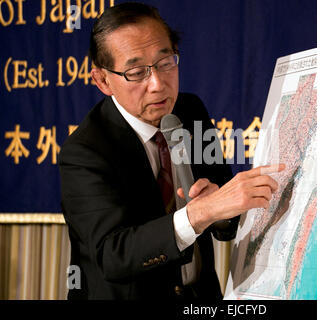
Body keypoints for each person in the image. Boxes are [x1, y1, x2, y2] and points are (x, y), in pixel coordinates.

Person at [58, 2, 282, 300]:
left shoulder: (190, 111)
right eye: (137, 72)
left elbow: (223, 223)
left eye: (166, 63)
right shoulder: (84, 152)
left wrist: (220, 211)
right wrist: (198, 213)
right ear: (103, 80)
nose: (158, 84)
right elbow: (113, 255)